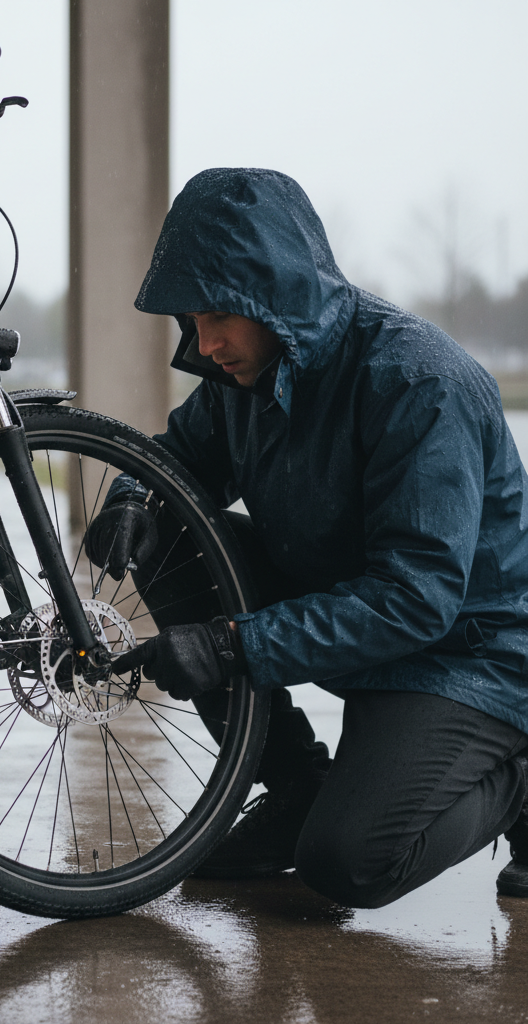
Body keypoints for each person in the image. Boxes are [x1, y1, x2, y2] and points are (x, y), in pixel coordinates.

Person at [84, 167, 528, 909]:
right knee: (170, 534)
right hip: (355, 615)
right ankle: (294, 783)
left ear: (279, 294)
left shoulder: (418, 383)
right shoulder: (241, 378)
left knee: (349, 863)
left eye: (222, 314)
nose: (207, 340)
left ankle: (517, 774)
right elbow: (176, 461)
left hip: (464, 658)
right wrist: (133, 499)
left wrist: (230, 645)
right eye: (193, 319)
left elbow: (418, 600)